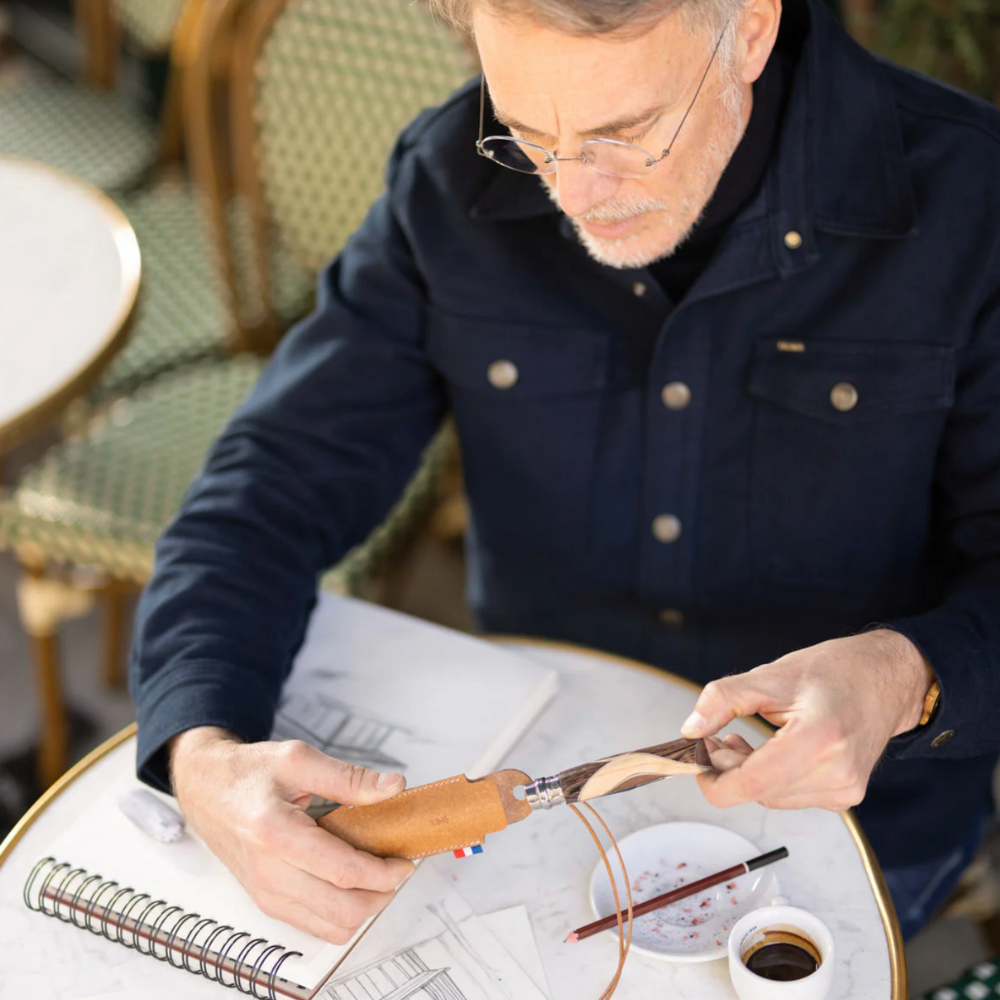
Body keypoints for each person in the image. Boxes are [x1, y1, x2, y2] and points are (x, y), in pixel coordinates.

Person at [131, 0, 1000, 946]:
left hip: (855, 821)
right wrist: (201, 750)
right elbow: (269, 488)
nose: (575, 190)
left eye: (627, 133)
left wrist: (904, 677)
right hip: (535, 803)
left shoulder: (974, 203)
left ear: (749, 26)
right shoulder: (448, 178)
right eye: (529, 135)